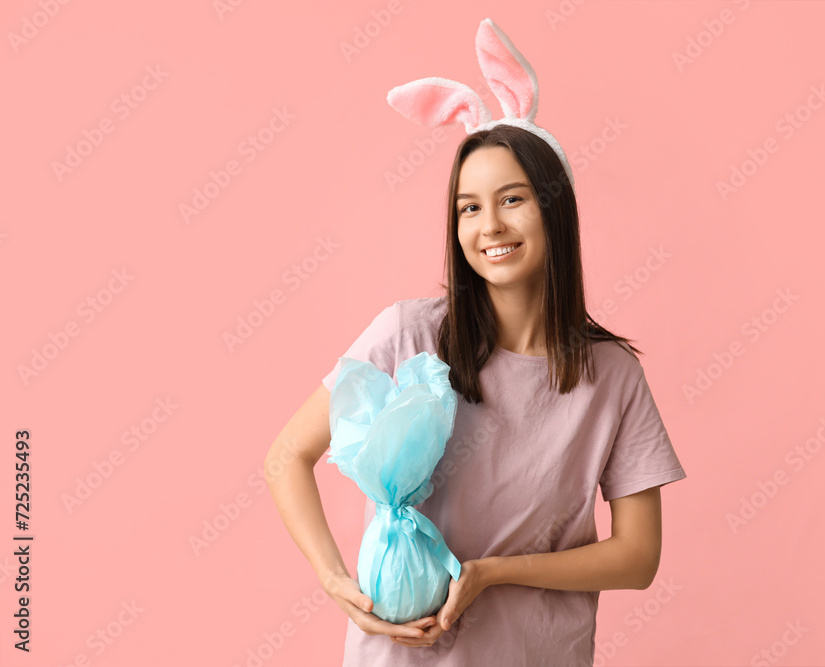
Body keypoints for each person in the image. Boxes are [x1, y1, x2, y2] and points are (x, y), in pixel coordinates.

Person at [265, 17, 686, 666]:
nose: (489, 224)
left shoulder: (612, 375)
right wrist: (334, 579)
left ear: (554, 209)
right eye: (468, 206)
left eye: (512, 199)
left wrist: (494, 572)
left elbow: (638, 557)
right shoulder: (409, 333)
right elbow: (288, 453)